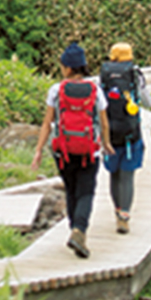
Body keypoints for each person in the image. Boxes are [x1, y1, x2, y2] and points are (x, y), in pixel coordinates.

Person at [32, 43, 114, 258]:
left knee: (71, 189)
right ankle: (79, 230)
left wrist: (38, 150)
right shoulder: (95, 91)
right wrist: (106, 144)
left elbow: (47, 123)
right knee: (86, 191)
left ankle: (74, 230)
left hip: (63, 151)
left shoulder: (56, 90)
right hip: (89, 150)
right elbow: (104, 123)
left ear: (68, 68)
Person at [100, 41, 151, 234]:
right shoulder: (135, 74)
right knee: (127, 176)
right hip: (131, 133)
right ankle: (124, 216)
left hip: (109, 133)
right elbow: (148, 101)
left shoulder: (104, 74)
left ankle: (117, 211)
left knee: (114, 175)